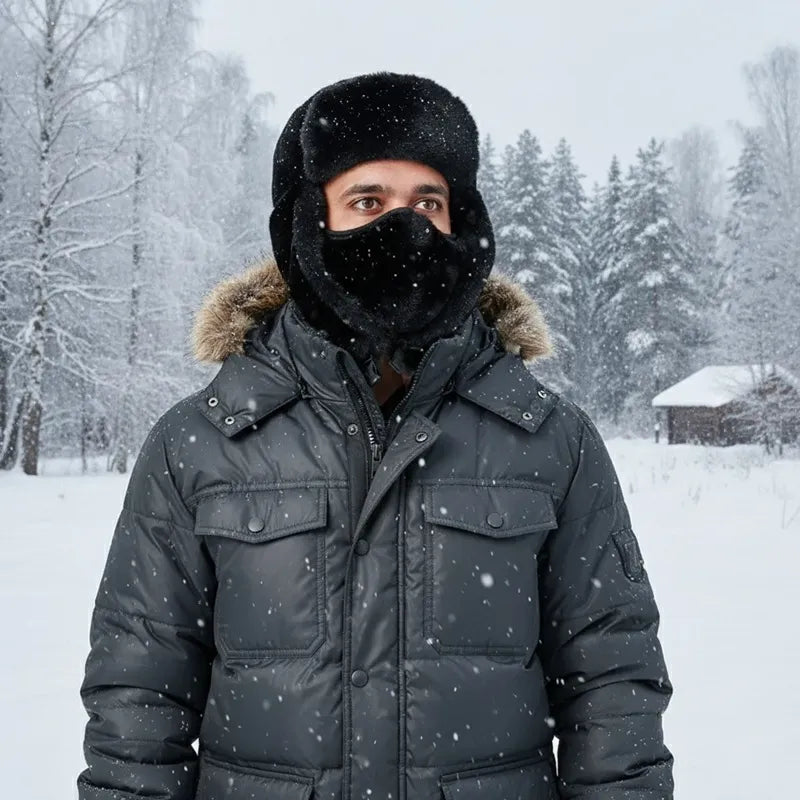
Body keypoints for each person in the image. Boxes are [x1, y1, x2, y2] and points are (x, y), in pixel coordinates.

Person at [77, 72, 674, 800]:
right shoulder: (200, 442)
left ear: (463, 223)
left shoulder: (551, 441)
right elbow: (138, 699)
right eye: (367, 201)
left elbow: (613, 690)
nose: (407, 228)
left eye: (429, 202)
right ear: (308, 221)